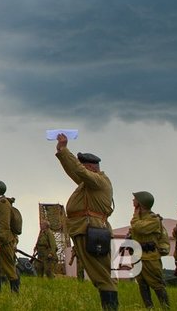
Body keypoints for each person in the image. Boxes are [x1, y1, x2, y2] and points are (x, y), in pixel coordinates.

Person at [56, 133, 118, 310]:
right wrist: (62, 153)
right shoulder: (89, 183)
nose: (81, 169)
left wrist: (65, 149)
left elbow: (78, 170)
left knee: (102, 275)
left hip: (92, 230)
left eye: (84, 166)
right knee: (100, 275)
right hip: (85, 229)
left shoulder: (99, 181)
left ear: (91, 168)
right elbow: (74, 171)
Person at [126, 191, 169, 309]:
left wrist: (135, 218)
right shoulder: (138, 218)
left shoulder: (153, 219)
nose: (133, 201)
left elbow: (139, 228)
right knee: (142, 284)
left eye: (135, 199)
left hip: (150, 257)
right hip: (138, 256)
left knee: (157, 284)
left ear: (140, 203)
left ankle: (166, 307)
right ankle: (149, 308)